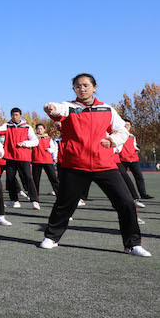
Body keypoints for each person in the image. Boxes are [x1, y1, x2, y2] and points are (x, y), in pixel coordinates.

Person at [40, 73, 149, 256]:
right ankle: (52, 237)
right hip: (74, 165)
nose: (82, 89)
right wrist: (49, 107)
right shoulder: (70, 107)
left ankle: (132, 244)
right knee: (65, 204)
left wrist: (113, 140)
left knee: (126, 202)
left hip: (104, 164)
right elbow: (56, 109)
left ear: (94, 87)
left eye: (85, 85)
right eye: (77, 86)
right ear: (74, 89)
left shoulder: (107, 109)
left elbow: (122, 130)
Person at [0, 108, 40, 210]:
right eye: (13, 115)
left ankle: (34, 201)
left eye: (17, 115)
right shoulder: (7, 126)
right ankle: (14, 200)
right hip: (10, 157)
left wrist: (24, 143)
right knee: (10, 179)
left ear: (20, 116)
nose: (15, 117)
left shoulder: (27, 127)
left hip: (24, 157)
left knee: (28, 177)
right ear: (11, 116)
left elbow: (35, 141)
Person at [119, 120, 153, 205]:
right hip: (122, 159)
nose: (126, 126)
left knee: (139, 177)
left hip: (134, 159)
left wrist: (137, 149)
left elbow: (134, 146)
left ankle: (143, 194)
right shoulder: (118, 135)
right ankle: (124, 195)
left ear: (130, 126)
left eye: (128, 125)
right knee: (122, 178)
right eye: (124, 124)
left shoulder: (132, 136)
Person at [31, 123, 59, 197]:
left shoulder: (48, 139)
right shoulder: (33, 139)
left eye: (41, 129)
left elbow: (54, 148)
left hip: (47, 160)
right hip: (36, 160)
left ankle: (59, 194)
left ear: (44, 130)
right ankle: (35, 195)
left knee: (53, 178)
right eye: (38, 129)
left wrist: (51, 151)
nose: (39, 130)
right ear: (36, 130)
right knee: (35, 179)